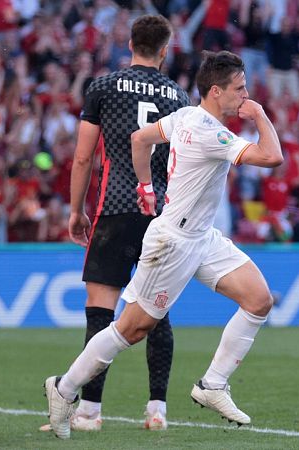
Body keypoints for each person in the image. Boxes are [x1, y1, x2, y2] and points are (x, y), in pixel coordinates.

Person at [45, 50, 283, 439]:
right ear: (217, 91)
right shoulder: (210, 130)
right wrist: (258, 115)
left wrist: (145, 187)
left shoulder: (186, 115)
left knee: (258, 300)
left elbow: (140, 138)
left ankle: (213, 385)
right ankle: (64, 388)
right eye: (239, 90)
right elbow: (272, 156)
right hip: (173, 241)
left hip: (201, 236)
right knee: (131, 329)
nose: (245, 96)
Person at [64, 14, 191, 431]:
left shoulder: (102, 86)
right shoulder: (179, 96)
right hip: (163, 214)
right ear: (165, 50)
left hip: (117, 206)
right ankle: (157, 410)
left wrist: (74, 209)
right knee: (158, 312)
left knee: (101, 312)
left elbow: (83, 156)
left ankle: (89, 412)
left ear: (129, 43)